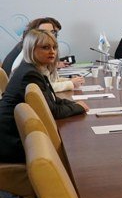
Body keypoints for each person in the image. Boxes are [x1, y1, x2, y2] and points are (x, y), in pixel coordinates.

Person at [0, 29, 88, 163]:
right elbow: (51, 112)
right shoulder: (29, 74)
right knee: (76, 149)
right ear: (31, 49)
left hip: (15, 135)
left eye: (54, 47)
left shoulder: (33, 69)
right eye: (45, 47)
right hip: (12, 142)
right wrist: (78, 108)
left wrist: (75, 104)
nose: (52, 51)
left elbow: (52, 99)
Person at [3, 17, 84, 92]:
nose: (50, 36)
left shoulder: (37, 56)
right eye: (43, 32)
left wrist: (69, 81)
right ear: (33, 35)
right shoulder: (27, 61)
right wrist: (70, 83)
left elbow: (49, 81)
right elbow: (45, 88)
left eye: (52, 32)